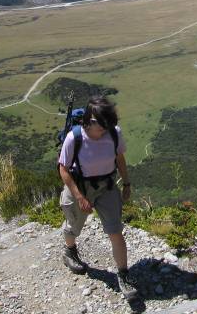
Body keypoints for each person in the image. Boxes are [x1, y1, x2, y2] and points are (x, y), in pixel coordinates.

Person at [58, 96, 136, 300]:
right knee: (73, 225)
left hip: (107, 187)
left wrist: (127, 183)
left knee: (115, 231)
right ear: (90, 121)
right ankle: (70, 251)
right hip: (80, 186)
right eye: (102, 127)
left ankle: (123, 276)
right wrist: (79, 197)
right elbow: (63, 169)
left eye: (108, 126)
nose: (105, 131)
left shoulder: (113, 133)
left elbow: (120, 159)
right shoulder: (74, 138)